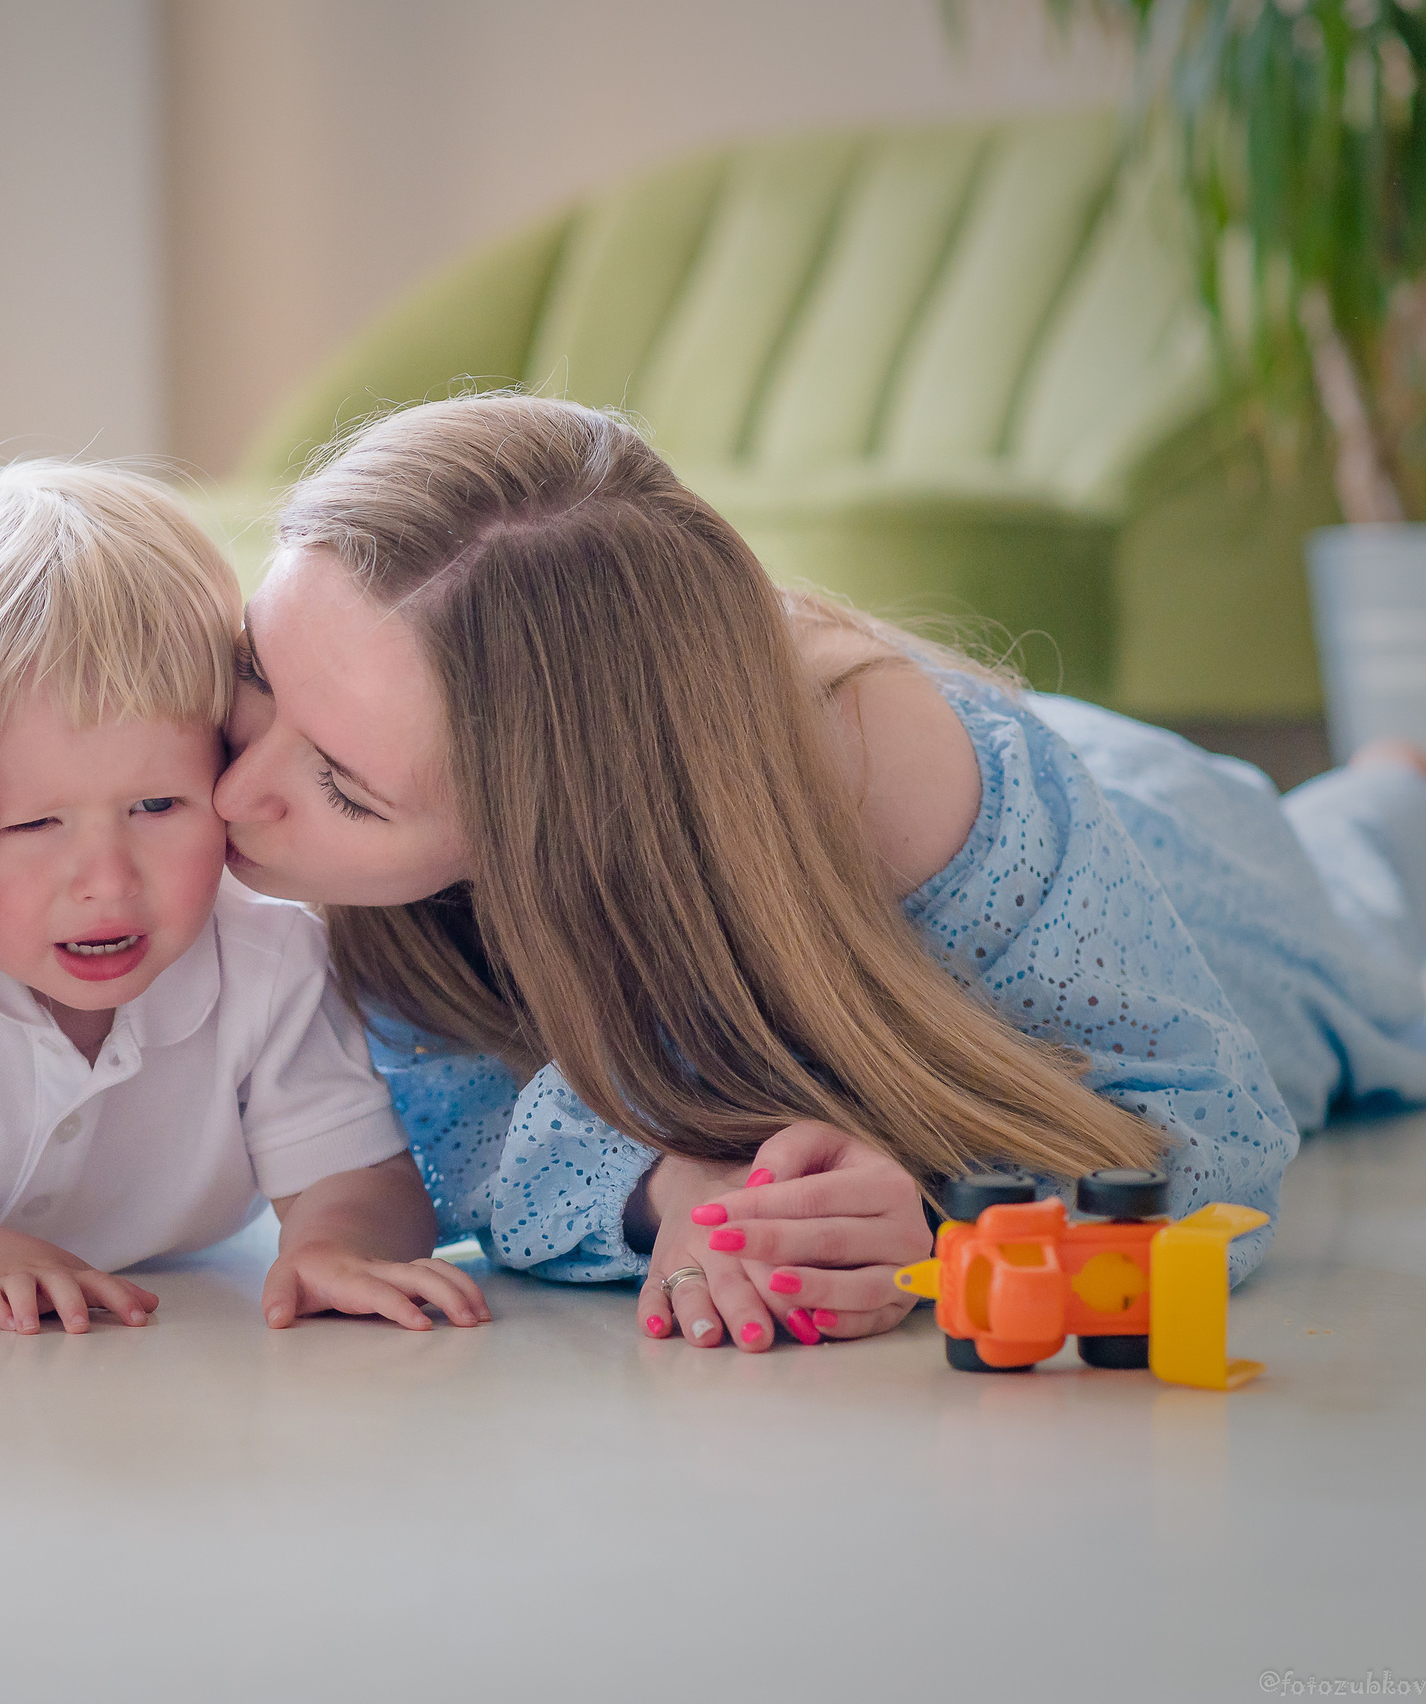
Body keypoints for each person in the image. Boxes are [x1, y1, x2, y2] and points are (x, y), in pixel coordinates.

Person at [214, 392, 1426, 1353]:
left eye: (341, 789)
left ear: (566, 820)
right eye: (255, 673)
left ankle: (1387, 781)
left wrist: (948, 1225)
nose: (232, 792)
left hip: (1168, 851)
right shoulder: (328, 775)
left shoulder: (922, 797)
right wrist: (669, 1190)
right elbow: (442, 1132)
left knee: (1363, 918)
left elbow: (1210, 1143)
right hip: (984, 756)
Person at [0, 462, 489, 1335]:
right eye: (35, 825)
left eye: (157, 807)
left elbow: (361, 1173)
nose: (107, 878)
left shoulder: (267, 957)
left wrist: (338, 1244)